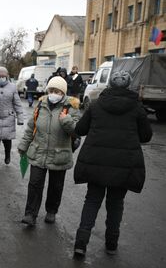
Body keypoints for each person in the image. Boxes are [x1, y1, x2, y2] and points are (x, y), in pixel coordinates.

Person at [72, 71, 152, 257]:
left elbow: (80, 129)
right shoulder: (136, 108)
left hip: (96, 162)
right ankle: (111, 244)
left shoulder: (96, 104)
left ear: (109, 84)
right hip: (124, 165)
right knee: (116, 204)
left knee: (92, 201)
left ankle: (81, 244)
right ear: (129, 85)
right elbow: (146, 136)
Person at [18, 76, 80, 226]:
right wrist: (23, 145)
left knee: (56, 186)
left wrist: (66, 120)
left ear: (63, 92)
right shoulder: (40, 105)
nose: (53, 93)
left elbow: (77, 131)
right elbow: (30, 128)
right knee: (34, 184)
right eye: (51, 90)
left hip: (60, 154)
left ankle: (51, 211)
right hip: (38, 152)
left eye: (57, 91)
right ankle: (30, 214)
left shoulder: (71, 107)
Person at [0, 66, 23, 170]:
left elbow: (17, 103)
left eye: (3, 75)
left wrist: (20, 117)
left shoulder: (12, 87)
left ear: (7, 76)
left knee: (7, 140)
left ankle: (8, 156)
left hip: (8, 117)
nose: (1, 77)